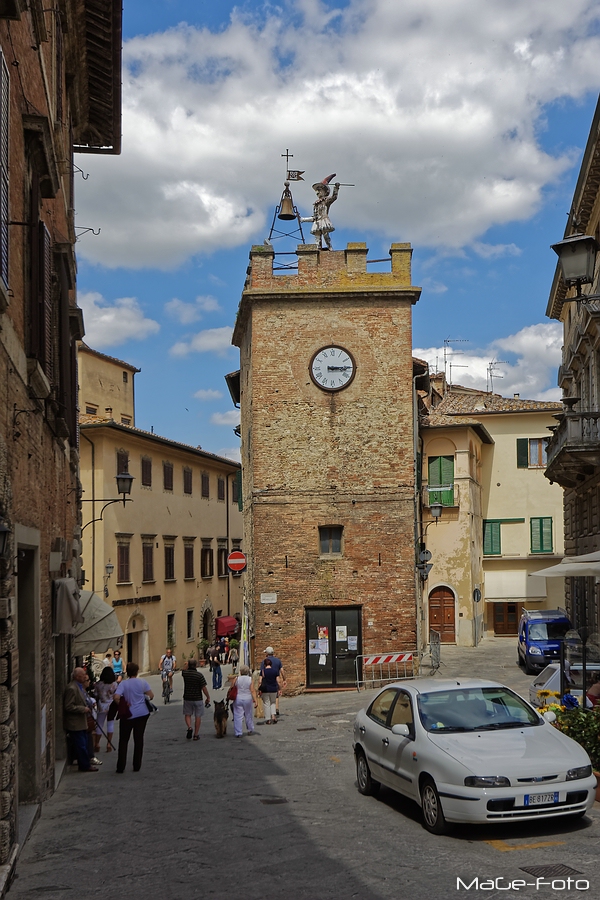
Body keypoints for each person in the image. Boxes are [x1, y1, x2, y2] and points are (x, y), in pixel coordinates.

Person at [114, 662, 154, 773]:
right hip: (142, 713)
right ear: (137, 672)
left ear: (127, 671)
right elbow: (151, 695)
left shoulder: (123, 684)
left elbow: (116, 697)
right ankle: (137, 765)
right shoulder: (142, 682)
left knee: (123, 740)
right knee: (139, 739)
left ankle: (121, 766)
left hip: (128, 714)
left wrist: (122, 704)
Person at [63, 667, 98, 772]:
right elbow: (68, 706)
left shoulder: (79, 687)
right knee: (81, 746)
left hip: (81, 722)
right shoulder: (72, 688)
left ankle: (85, 764)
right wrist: (83, 709)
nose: (85, 676)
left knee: (84, 744)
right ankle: (85, 765)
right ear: (77, 677)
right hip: (75, 723)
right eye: (83, 675)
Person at [301, 174, 340, 250]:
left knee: (325, 235)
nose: (317, 192)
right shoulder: (316, 204)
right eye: (316, 191)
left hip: (324, 220)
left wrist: (336, 188)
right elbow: (315, 217)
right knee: (317, 236)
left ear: (324, 191)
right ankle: (318, 249)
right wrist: (303, 219)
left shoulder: (326, 201)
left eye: (319, 190)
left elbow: (334, 197)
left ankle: (329, 247)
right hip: (317, 222)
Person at [181, 659, 211, 740]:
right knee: (198, 716)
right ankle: (196, 734)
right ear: (196, 665)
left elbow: (183, 669)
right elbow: (203, 688)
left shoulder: (185, 674)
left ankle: (189, 727)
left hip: (187, 697)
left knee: (187, 714)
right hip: (198, 698)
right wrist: (208, 697)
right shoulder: (199, 675)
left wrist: (186, 664)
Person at [94, 666, 118, 753]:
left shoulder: (98, 684)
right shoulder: (114, 684)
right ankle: (109, 743)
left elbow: (96, 694)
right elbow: (116, 695)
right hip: (111, 705)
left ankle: (97, 743)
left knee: (99, 724)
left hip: (101, 705)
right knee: (110, 723)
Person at [231, 665, 258, 738]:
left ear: (240, 671)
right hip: (247, 698)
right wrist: (256, 700)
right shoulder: (250, 679)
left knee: (237, 716)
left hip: (238, 698)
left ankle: (238, 732)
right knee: (248, 714)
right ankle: (249, 729)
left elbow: (232, 687)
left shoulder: (236, 679)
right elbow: (252, 690)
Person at [260, 646, 287, 717]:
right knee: (275, 696)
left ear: (267, 653)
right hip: (275, 680)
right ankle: (276, 710)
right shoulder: (278, 661)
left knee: (267, 700)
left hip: (267, 682)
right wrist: (284, 679)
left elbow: (262, 673)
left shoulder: (264, 662)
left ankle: (269, 715)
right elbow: (282, 671)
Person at [259, 657, 282, 725]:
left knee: (266, 704)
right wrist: (279, 689)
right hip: (273, 689)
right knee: (273, 703)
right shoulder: (275, 671)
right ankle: (273, 716)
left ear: (264, 665)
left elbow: (260, 681)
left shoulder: (262, 671)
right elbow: (278, 681)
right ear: (271, 664)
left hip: (265, 690)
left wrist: (259, 689)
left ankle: (268, 719)